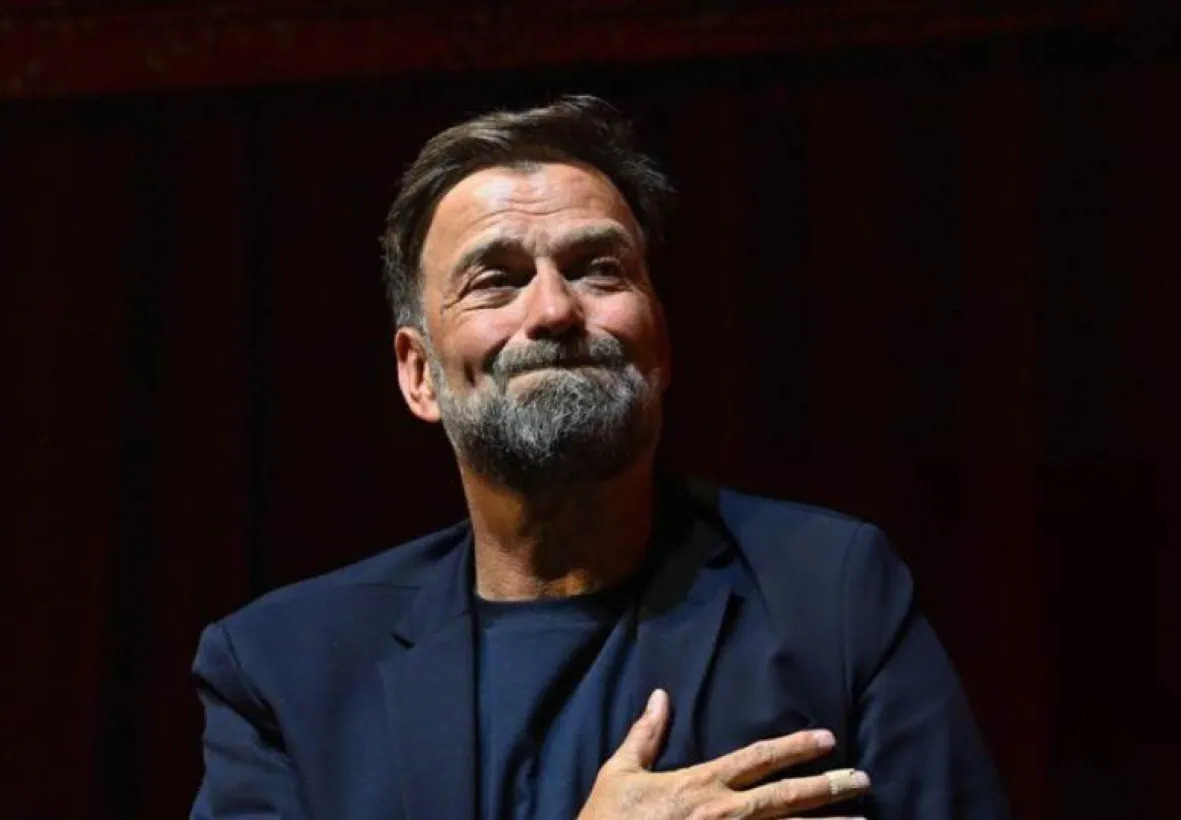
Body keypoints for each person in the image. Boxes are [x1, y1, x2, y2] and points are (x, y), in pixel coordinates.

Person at [190, 95, 1011, 820]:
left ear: (662, 341)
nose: (554, 309)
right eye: (496, 279)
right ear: (419, 374)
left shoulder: (828, 591)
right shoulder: (284, 670)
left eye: (598, 270)